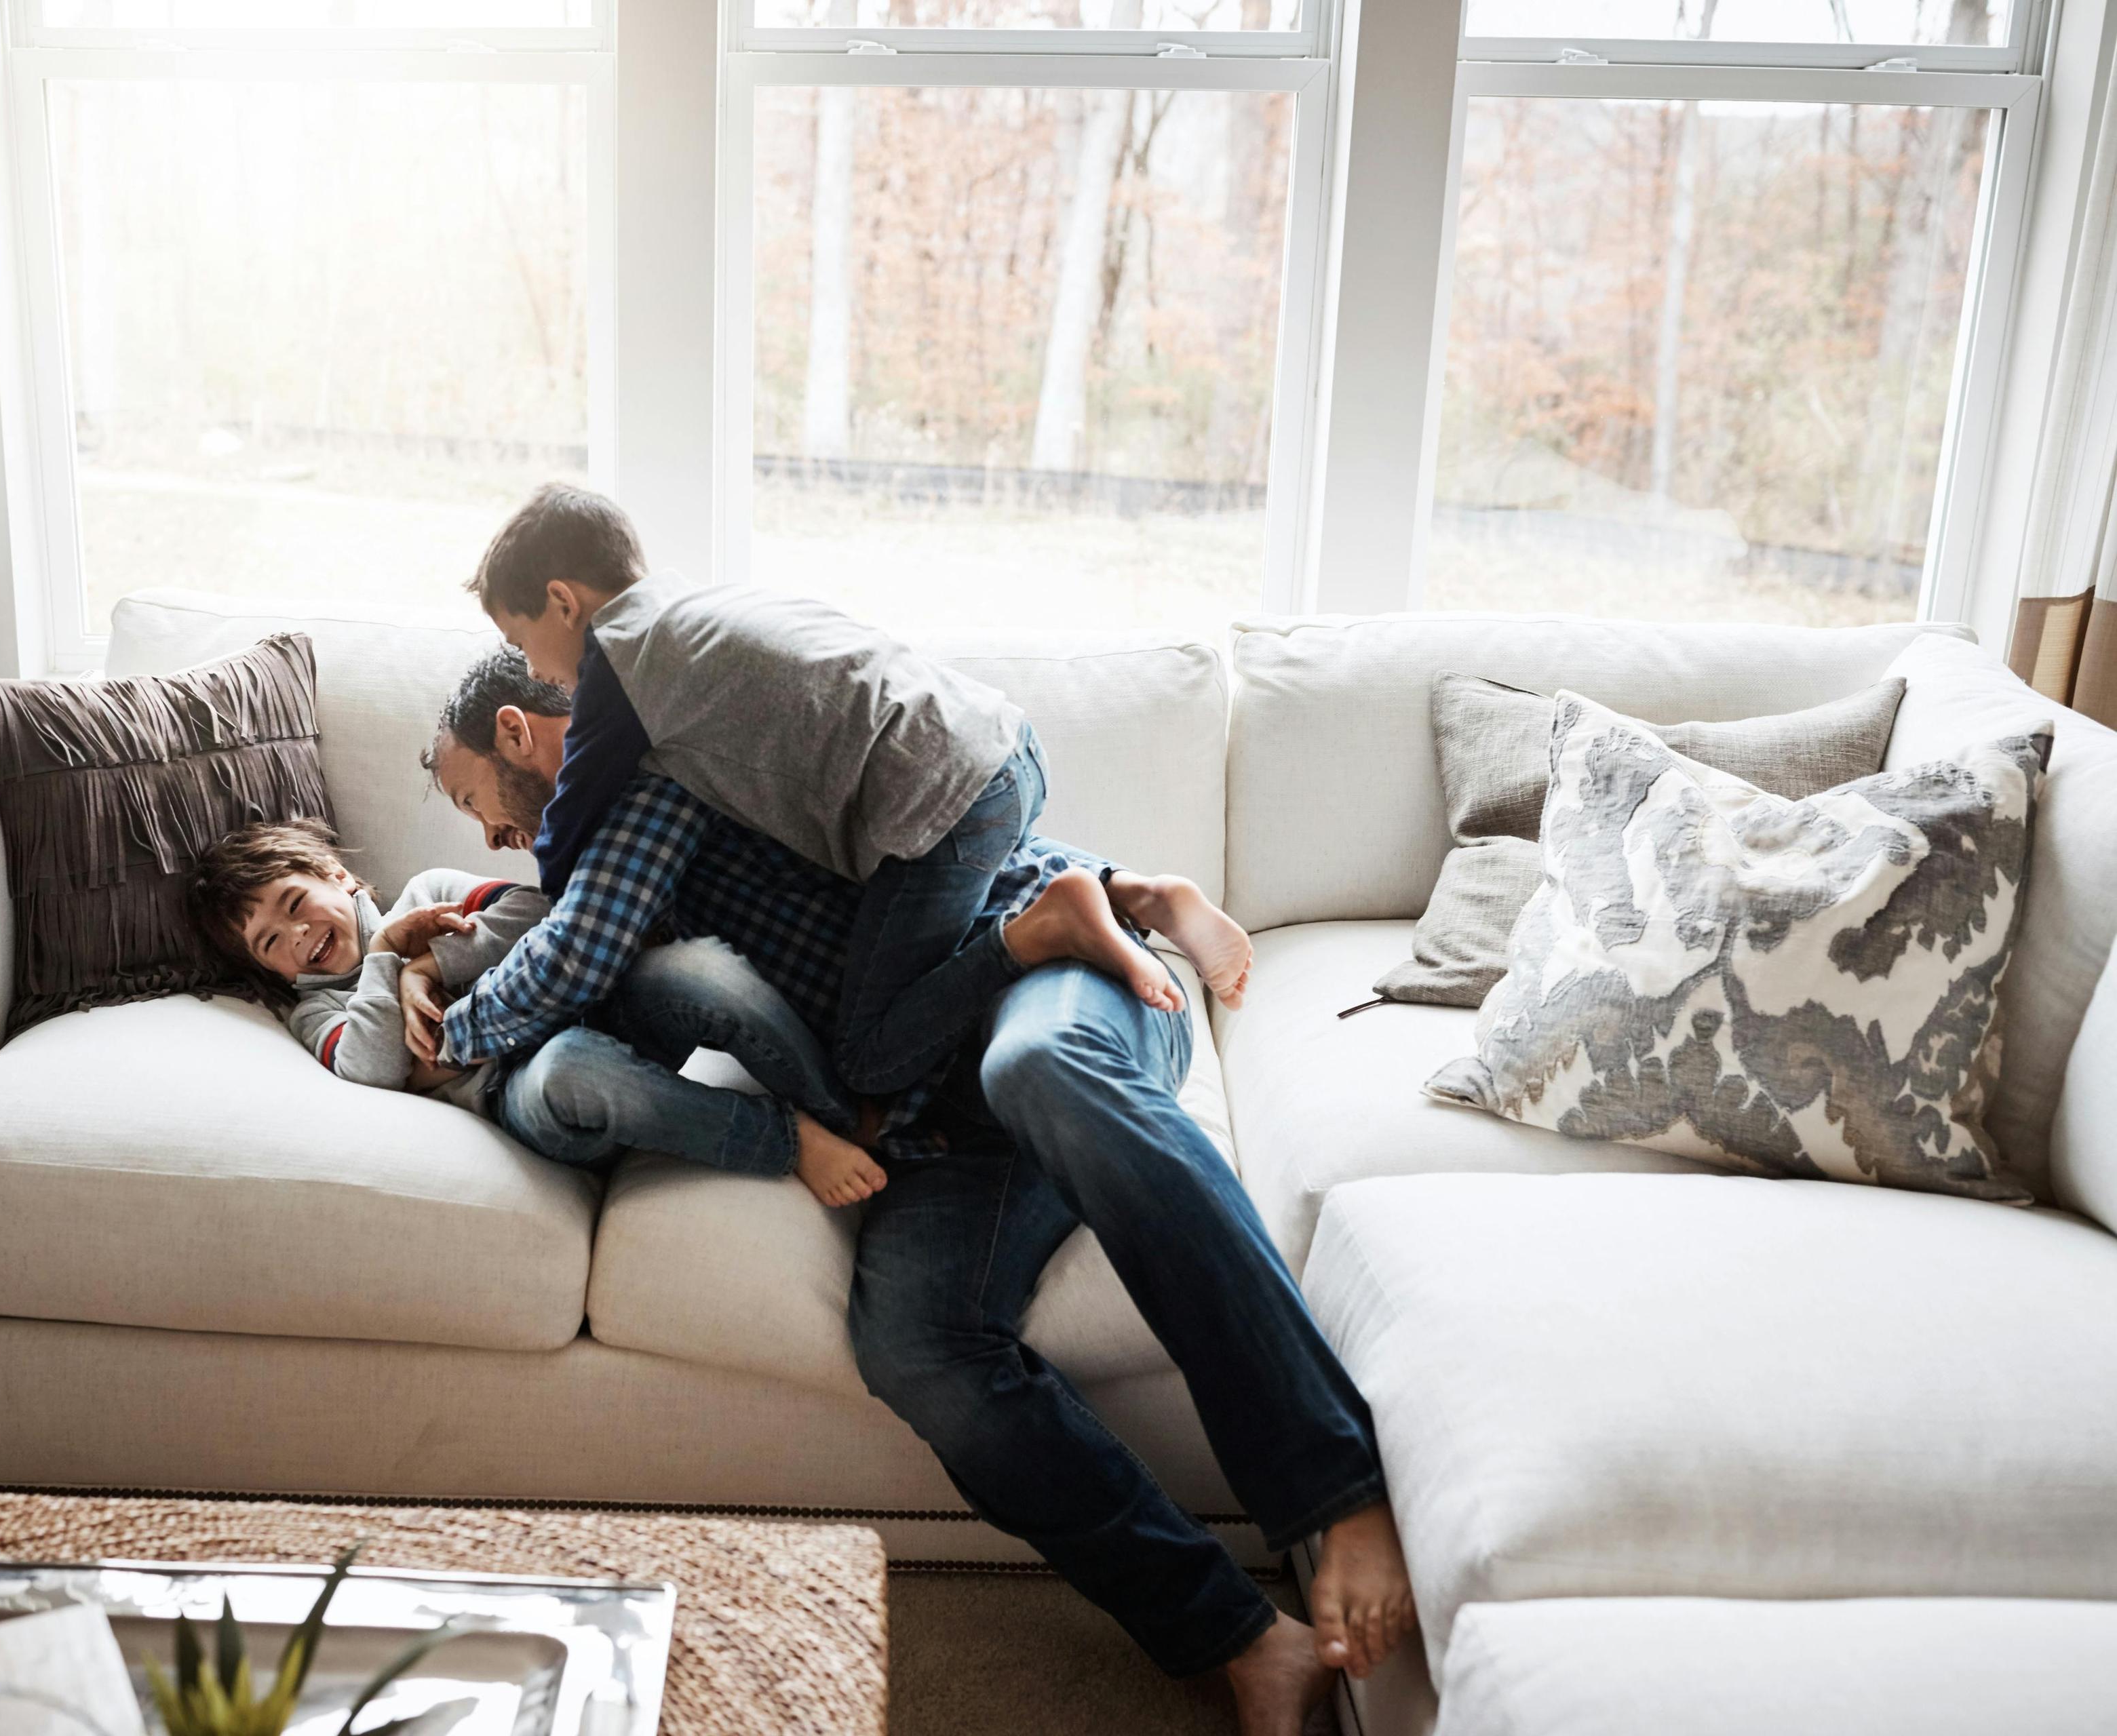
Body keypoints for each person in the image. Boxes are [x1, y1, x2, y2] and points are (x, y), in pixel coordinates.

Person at [415, 649, 1418, 1736]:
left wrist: (447, 1040)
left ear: (519, 732)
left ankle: (1337, 1486)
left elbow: (573, 959)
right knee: (915, 1344)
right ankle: (1237, 1638)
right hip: (940, 1107)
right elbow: (537, 946)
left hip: (1062, 979)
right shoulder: (590, 850)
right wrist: (408, 958)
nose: (490, 837)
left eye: (475, 802)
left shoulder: (659, 779)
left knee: (1039, 1068)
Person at [465, 484, 1254, 1104]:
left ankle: (1052, 924)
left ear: (564, 603)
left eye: (521, 640)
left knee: (871, 1054)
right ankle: (1137, 891)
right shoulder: (698, 607)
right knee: (981, 890)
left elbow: (572, 822)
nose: (533, 669)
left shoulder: (622, 663)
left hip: (931, 804)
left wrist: (551, 891)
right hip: (1001, 749)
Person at [184, 811, 887, 1206]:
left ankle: (843, 1111)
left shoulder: (429, 889)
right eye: (270, 942)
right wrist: (387, 958)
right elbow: (372, 1066)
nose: (300, 936)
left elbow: (540, 914)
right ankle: (788, 1140)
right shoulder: (314, 1014)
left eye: (296, 904)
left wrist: (430, 964)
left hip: (603, 1008)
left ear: (339, 876)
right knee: (568, 1066)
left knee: (697, 968)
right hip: (534, 1095)